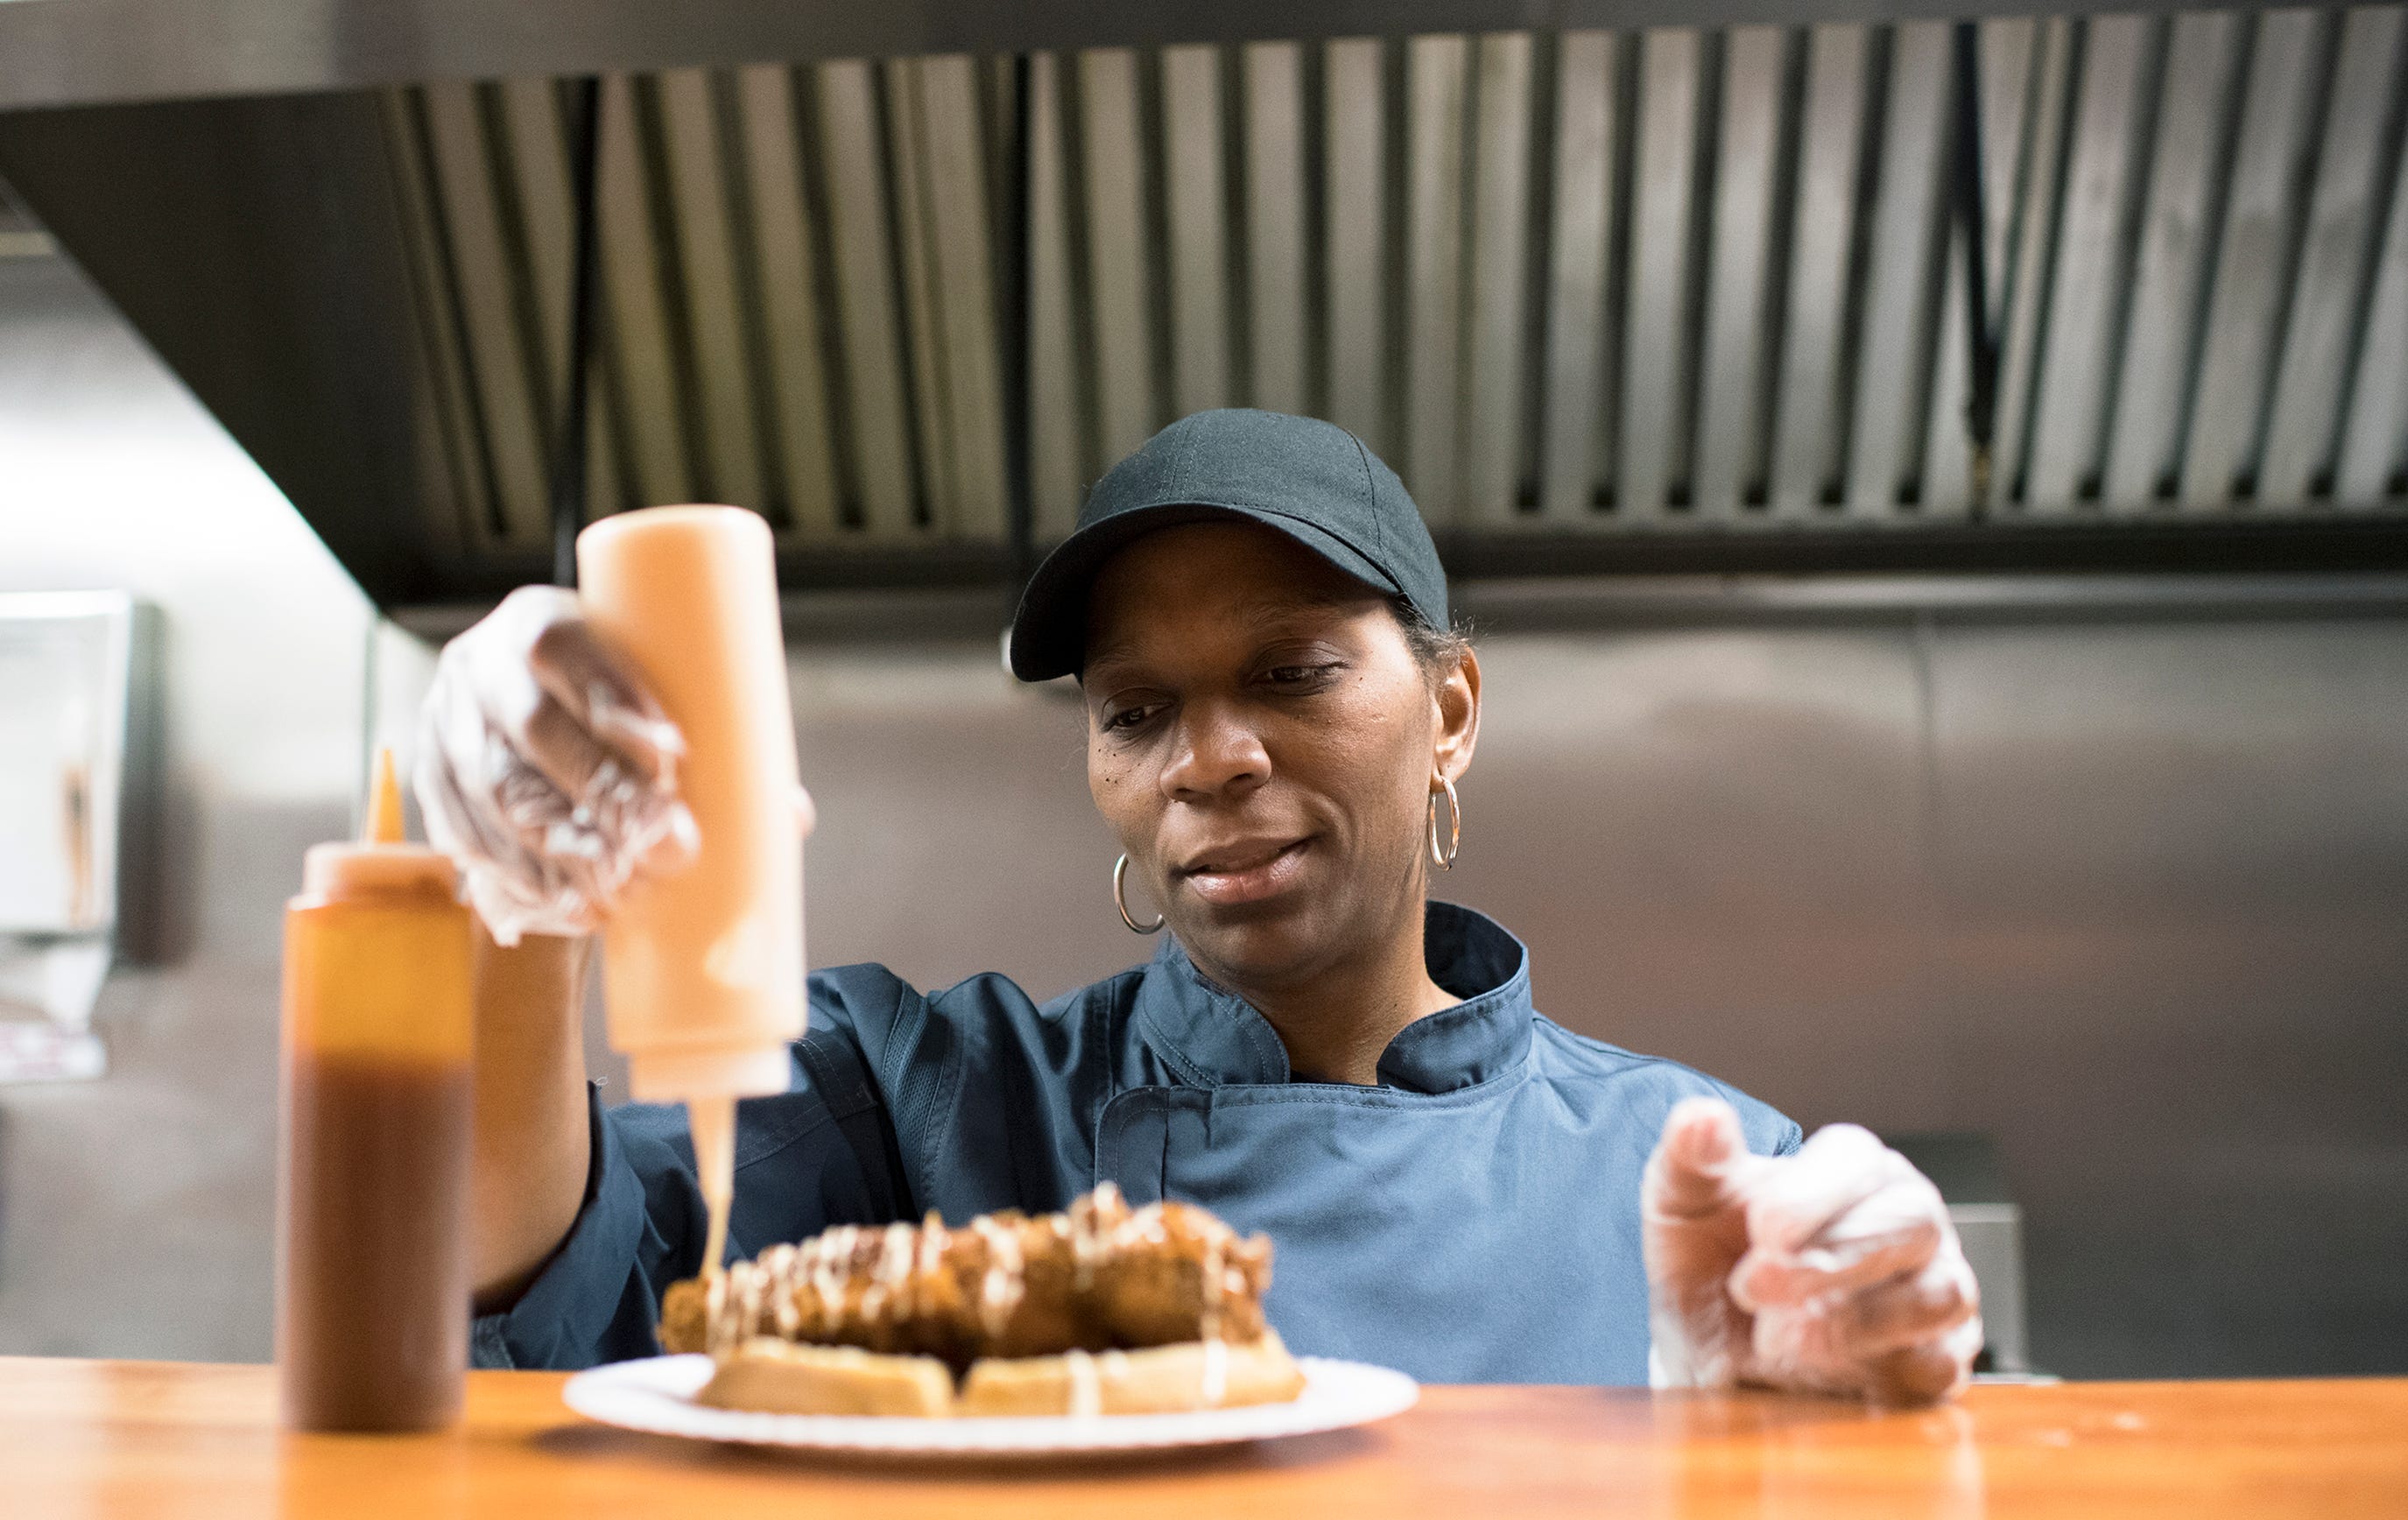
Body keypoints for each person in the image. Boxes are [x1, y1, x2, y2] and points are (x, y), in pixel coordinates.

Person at [419, 409, 1982, 1405]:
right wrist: (519, 899)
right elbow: (541, 1309)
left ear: (1449, 713)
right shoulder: (919, 1103)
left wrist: (1855, 1393)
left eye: (1291, 673)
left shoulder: (1707, 1174)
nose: (1208, 759)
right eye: (1136, 710)